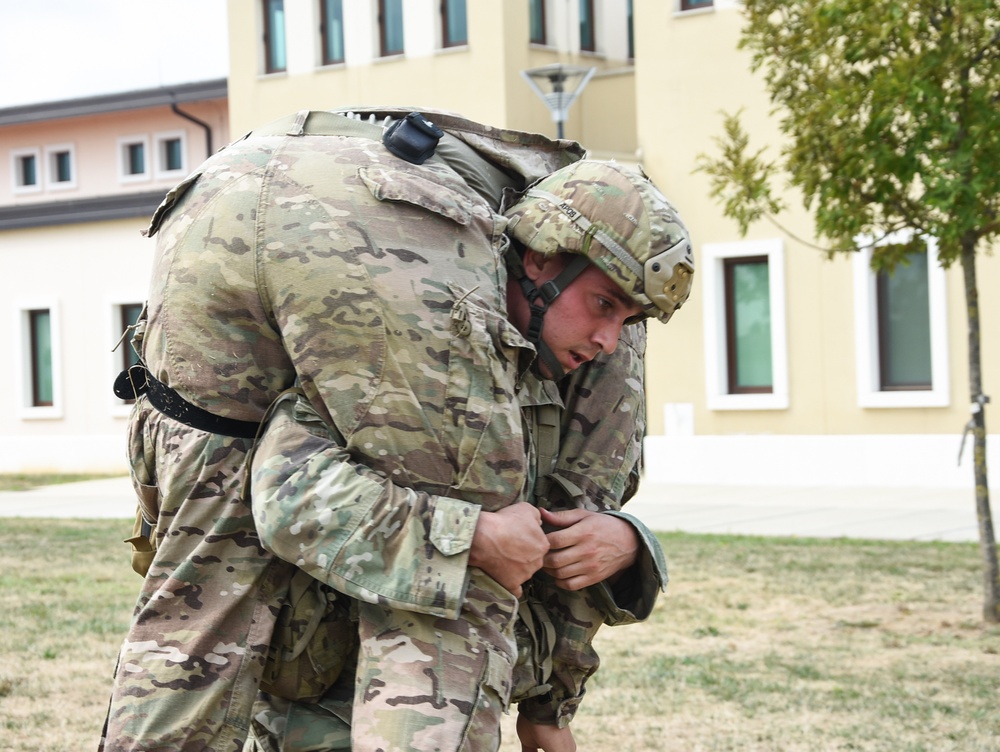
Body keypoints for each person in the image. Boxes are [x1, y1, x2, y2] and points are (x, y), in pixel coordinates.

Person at [99, 107, 692, 752]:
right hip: (320, 676)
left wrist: (626, 544)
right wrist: (469, 537)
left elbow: (564, 532)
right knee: (465, 581)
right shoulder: (401, 349)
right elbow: (287, 491)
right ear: (542, 262)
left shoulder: (562, 377)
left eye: (625, 319)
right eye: (602, 306)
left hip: (220, 200)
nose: (607, 341)